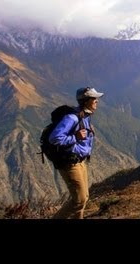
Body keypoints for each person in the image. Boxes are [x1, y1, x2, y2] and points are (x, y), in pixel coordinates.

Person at [50, 87, 104, 219]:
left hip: (80, 161)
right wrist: (76, 137)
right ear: (85, 101)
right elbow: (54, 138)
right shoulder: (72, 117)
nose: (97, 101)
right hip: (70, 163)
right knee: (78, 200)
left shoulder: (84, 116)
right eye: (94, 98)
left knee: (84, 198)